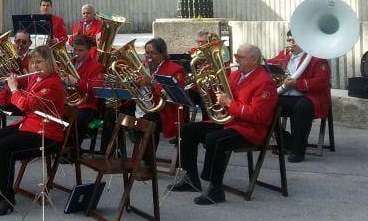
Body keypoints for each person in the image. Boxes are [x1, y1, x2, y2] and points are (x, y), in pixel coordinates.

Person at [171, 44, 277, 205]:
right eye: (236, 55)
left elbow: (258, 115)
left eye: (241, 57)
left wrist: (229, 104)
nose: (236, 59)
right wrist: (207, 87)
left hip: (250, 129)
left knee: (215, 139)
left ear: (254, 60)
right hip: (231, 121)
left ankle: (215, 189)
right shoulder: (235, 75)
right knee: (187, 130)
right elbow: (221, 99)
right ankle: (190, 179)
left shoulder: (265, 82)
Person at [0, 45, 67, 216]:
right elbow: (22, 99)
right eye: (33, 63)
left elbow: (26, 104)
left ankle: (7, 198)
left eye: (39, 62)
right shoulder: (36, 79)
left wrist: (14, 89)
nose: (35, 66)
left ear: (49, 62)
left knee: (3, 148)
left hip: (47, 134)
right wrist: (10, 84)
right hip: (30, 126)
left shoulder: (52, 84)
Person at [267, 31, 331, 163]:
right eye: (289, 40)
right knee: (264, 103)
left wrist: (297, 83)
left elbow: (321, 81)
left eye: (293, 41)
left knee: (302, 107)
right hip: (287, 95)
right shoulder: (285, 54)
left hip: (309, 97)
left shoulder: (317, 58)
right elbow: (271, 64)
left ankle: (298, 150)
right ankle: (285, 141)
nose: (290, 44)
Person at [138, 38, 187, 144]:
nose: (149, 57)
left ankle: (147, 159)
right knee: (114, 114)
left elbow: (175, 95)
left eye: (153, 53)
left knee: (147, 121)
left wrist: (152, 82)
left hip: (165, 111)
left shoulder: (175, 69)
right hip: (144, 106)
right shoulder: (143, 66)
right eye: (147, 53)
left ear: (163, 54)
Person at [61, 34, 105, 139]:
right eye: (75, 50)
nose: (77, 53)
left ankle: (72, 149)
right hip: (68, 102)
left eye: (81, 51)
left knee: (75, 123)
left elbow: (96, 88)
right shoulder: (69, 63)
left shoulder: (96, 66)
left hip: (86, 105)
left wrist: (76, 82)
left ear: (89, 50)